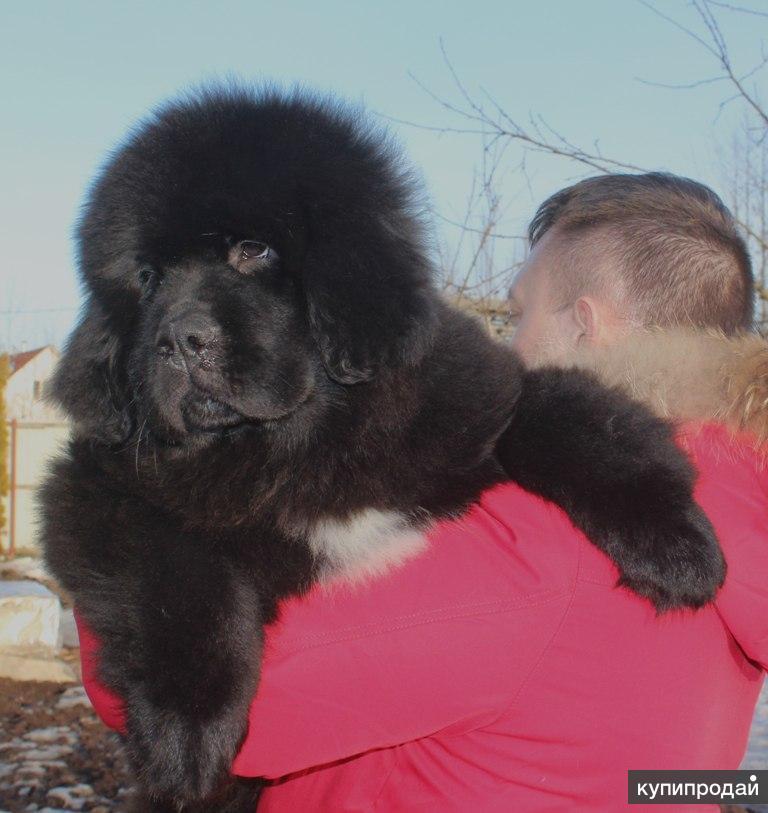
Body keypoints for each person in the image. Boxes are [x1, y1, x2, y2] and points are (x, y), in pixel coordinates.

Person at [78, 173, 768, 812]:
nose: (504, 340)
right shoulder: (727, 511)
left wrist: (129, 516)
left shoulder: (547, 547)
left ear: (587, 325)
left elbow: (208, 712)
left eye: (519, 312)